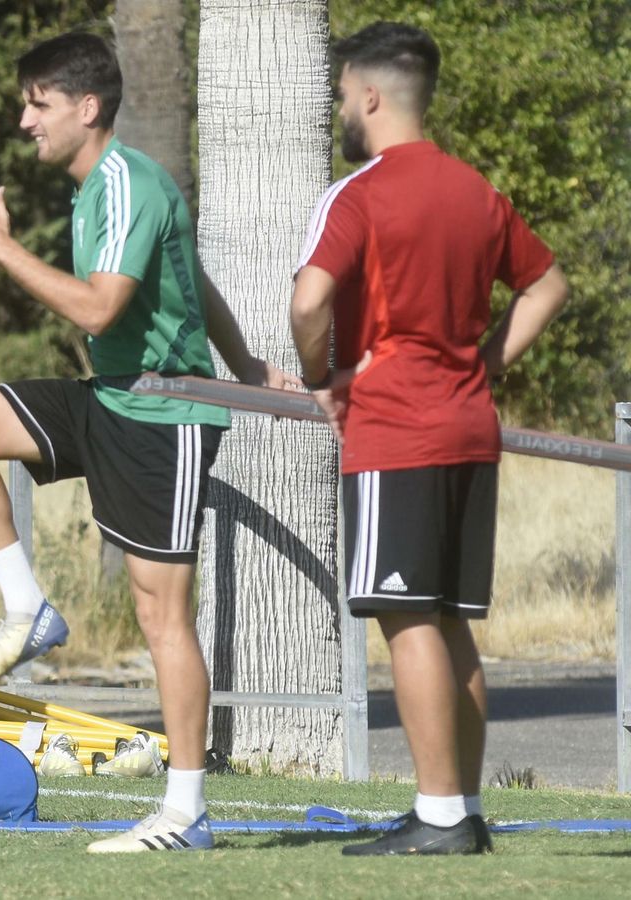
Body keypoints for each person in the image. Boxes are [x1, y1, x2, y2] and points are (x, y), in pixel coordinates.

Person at [0, 32, 291, 852]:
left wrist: (0, 247)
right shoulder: (96, 190)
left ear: (87, 109)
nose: (25, 121)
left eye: (38, 104)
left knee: (162, 620)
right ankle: (28, 606)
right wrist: (254, 366)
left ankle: (186, 813)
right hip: (114, 397)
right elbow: (192, 275)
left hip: (165, 418)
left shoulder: (128, 180)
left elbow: (97, 310)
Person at [291, 22, 567, 856]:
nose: (343, 108)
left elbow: (308, 303)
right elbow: (549, 285)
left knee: (407, 619)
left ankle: (440, 815)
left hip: (396, 427)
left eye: (343, 94)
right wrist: (483, 364)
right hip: (467, 424)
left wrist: (320, 378)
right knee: (449, 621)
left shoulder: (361, 193)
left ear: (370, 96)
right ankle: (465, 808)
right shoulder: (475, 190)